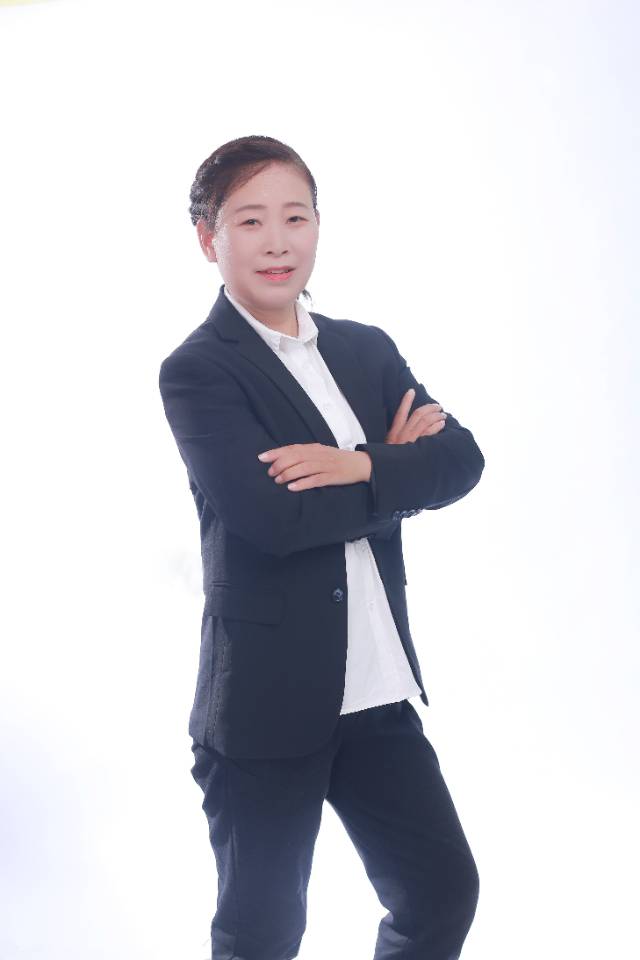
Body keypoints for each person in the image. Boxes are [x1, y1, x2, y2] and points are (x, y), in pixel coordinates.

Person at [158, 134, 485, 960]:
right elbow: (272, 521)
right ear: (208, 239)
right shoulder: (199, 371)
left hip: (375, 692)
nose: (278, 241)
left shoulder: (364, 348)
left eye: (295, 217)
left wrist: (357, 465)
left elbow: (461, 461)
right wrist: (395, 470)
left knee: (441, 893)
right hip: (264, 707)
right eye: (250, 221)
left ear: (317, 225)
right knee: (263, 936)